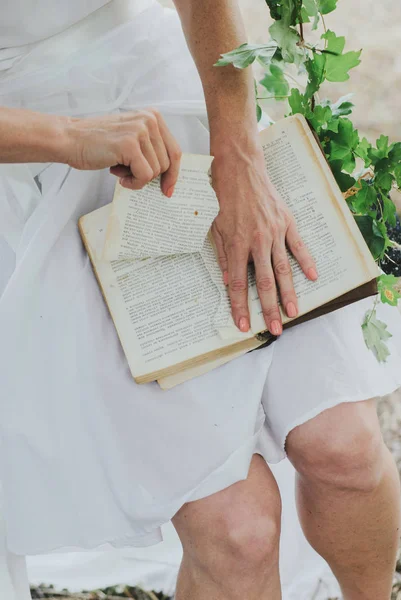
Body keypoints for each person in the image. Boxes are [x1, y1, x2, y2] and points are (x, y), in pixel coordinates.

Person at [0, 1, 400, 599]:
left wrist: (238, 153)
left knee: (346, 450)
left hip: (173, 90)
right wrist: (67, 136)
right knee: (240, 532)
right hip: (32, 150)